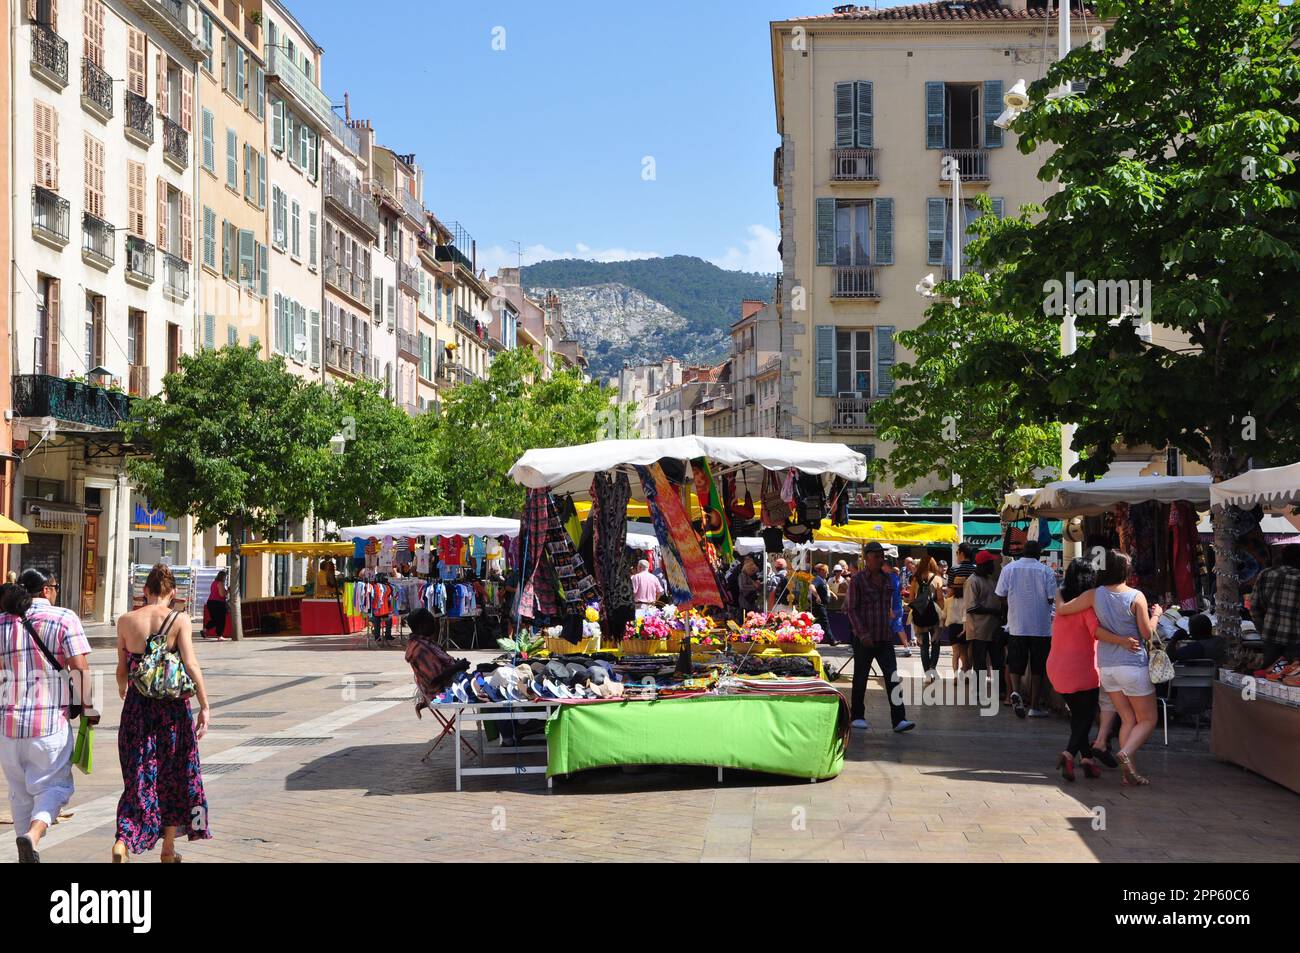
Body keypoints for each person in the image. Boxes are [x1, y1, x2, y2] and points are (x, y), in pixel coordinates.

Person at [113, 564, 212, 862]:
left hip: (137, 712)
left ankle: (123, 840)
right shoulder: (179, 619)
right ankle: (167, 850)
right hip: (172, 714)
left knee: (138, 778)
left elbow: (121, 670)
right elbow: (191, 665)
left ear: (145, 590)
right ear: (173, 592)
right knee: (174, 778)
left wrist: (124, 690)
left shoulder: (126, 621)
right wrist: (205, 705)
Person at [0, 570, 93, 863]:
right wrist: (89, 707)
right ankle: (33, 835)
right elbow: (79, 667)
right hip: (48, 725)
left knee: (19, 795)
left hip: (8, 728)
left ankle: (25, 851)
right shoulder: (64, 618)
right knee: (55, 787)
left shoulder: (1, 621)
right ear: (47, 590)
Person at [1055, 549, 1159, 786]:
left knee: (1127, 717)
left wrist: (1059, 592)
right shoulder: (1136, 596)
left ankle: (1127, 772)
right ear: (1126, 571)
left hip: (1107, 667)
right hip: (1133, 664)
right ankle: (1126, 753)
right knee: (1148, 719)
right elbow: (1147, 633)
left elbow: (1063, 610)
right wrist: (1157, 616)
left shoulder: (1093, 595)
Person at [1045, 558, 1133, 782]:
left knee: (1079, 716)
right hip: (1083, 669)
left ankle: (1087, 760)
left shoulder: (1061, 596)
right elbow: (1097, 632)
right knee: (1084, 718)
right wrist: (1122, 640)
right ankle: (1068, 754)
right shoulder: (1089, 606)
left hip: (1056, 667)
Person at [845, 542, 915, 733]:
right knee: (860, 678)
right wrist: (862, 633)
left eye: (881, 556)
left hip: (884, 637)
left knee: (892, 677)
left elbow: (890, 606)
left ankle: (899, 719)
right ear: (866, 558)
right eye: (875, 556)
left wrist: (892, 626)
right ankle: (857, 716)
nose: (880, 559)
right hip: (865, 638)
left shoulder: (888, 579)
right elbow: (851, 609)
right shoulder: (857, 580)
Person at [995, 539, 1058, 718]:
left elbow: (1000, 595)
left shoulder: (1009, 569)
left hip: (1017, 625)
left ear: (1023, 552)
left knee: (1015, 663)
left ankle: (1016, 692)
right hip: (1041, 627)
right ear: (1039, 554)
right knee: (1038, 666)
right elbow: (1051, 598)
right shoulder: (1046, 571)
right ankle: (1034, 705)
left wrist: (1014, 604)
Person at [1251, 545, 1300, 673]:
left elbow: (1255, 608)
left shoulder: (1266, 574)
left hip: (1270, 639)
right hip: (1296, 643)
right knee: (1292, 680)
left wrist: (1263, 630)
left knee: (1268, 678)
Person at [964, 551, 1005, 698]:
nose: (993, 566)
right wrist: (994, 612)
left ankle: (1001, 690)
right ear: (983, 565)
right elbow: (971, 607)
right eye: (990, 563)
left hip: (993, 629)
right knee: (980, 663)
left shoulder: (990, 579)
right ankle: (979, 691)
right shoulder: (972, 581)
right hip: (978, 630)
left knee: (998, 662)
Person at [907, 555, 946, 678]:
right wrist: (942, 612)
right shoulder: (937, 579)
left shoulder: (914, 579)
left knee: (923, 645)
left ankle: (927, 674)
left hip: (919, 613)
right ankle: (932, 668)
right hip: (934, 613)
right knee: (936, 642)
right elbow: (940, 599)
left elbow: (911, 599)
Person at [946, 543, 978, 674]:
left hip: (956, 610)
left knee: (958, 647)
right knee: (970, 645)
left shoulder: (954, 569)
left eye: (957, 553)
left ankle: (961, 671)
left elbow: (950, 592)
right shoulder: (976, 569)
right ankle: (967, 670)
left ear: (961, 553)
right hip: (973, 609)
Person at [883, 556, 910, 656]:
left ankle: (885, 649)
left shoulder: (889, 578)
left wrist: (889, 609)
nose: (881, 568)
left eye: (883, 566)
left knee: (886, 628)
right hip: (898, 606)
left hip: (892, 608)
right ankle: (907, 648)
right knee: (899, 628)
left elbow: (890, 595)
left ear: (887, 566)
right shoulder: (896, 577)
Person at [810, 563, 833, 645]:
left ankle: (811, 638)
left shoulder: (823, 580)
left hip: (822, 605)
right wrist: (817, 596)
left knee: (816, 623)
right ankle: (832, 640)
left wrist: (832, 594)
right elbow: (811, 587)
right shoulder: (818, 579)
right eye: (826, 572)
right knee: (825, 622)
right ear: (822, 571)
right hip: (820, 605)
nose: (827, 573)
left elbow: (825, 589)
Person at [205, 569, 228, 641]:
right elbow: (221, 595)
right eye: (225, 577)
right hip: (218, 603)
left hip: (210, 602)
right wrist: (227, 591)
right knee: (221, 620)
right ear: (223, 577)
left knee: (215, 619)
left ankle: (205, 630)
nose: (226, 578)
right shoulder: (220, 583)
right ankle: (219, 635)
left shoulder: (214, 582)